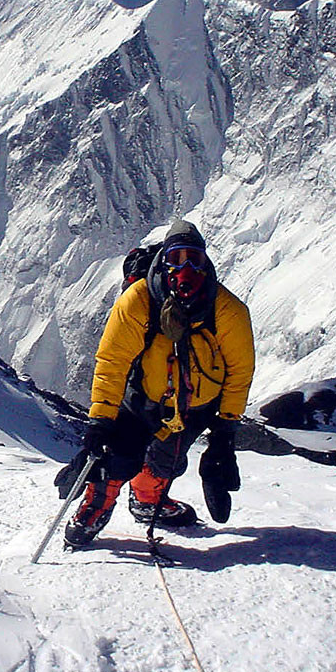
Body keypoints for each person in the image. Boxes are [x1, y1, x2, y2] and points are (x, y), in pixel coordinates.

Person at [63, 219, 255, 548]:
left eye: (193, 258)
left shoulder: (228, 311)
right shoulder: (138, 300)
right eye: (177, 258)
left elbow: (239, 372)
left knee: (168, 461)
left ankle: (147, 499)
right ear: (163, 260)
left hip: (195, 406)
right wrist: (100, 422)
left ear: (206, 263)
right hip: (143, 400)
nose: (186, 268)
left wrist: (225, 431)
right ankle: (97, 504)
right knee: (120, 455)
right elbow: (112, 362)